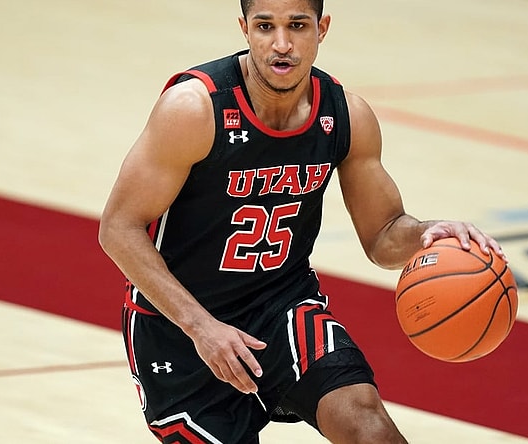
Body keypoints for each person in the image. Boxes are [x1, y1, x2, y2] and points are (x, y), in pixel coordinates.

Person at [99, 0, 505, 442]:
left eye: (297, 26)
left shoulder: (346, 115)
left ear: (322, 28)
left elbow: (383, 234)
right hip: (178, 323)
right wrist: (201, 327)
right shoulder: (194, 109)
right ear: (244, 29)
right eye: (265, 26)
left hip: (281, 304)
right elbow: (118, 228)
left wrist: (426, 234)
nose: (282, 44)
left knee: (368, 425)